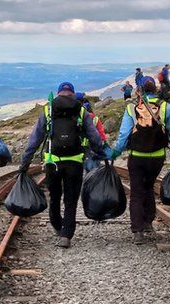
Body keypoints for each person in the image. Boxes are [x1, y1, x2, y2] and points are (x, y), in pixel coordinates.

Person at [19, 82, 105, 248]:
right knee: (71, 200)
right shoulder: (81, 110)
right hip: (74, 162)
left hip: (53, 163)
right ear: (72, 93)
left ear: (59, 93)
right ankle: (66, 235)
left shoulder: (48, 110)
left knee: (55, 196)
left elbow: (35, 139)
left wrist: (25, 163)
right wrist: (102, 155)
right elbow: (94, 137)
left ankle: (57, 226)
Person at [107, 78, 170, 244]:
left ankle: (137, 231)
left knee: (136, 191)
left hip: (137, 156)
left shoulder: (132, 108)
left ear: (139, 90)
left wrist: (115, 152)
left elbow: (123, 135)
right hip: (157, 157)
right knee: (149, 187)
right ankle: (148, 222)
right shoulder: (165, 107)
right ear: (155, 89)